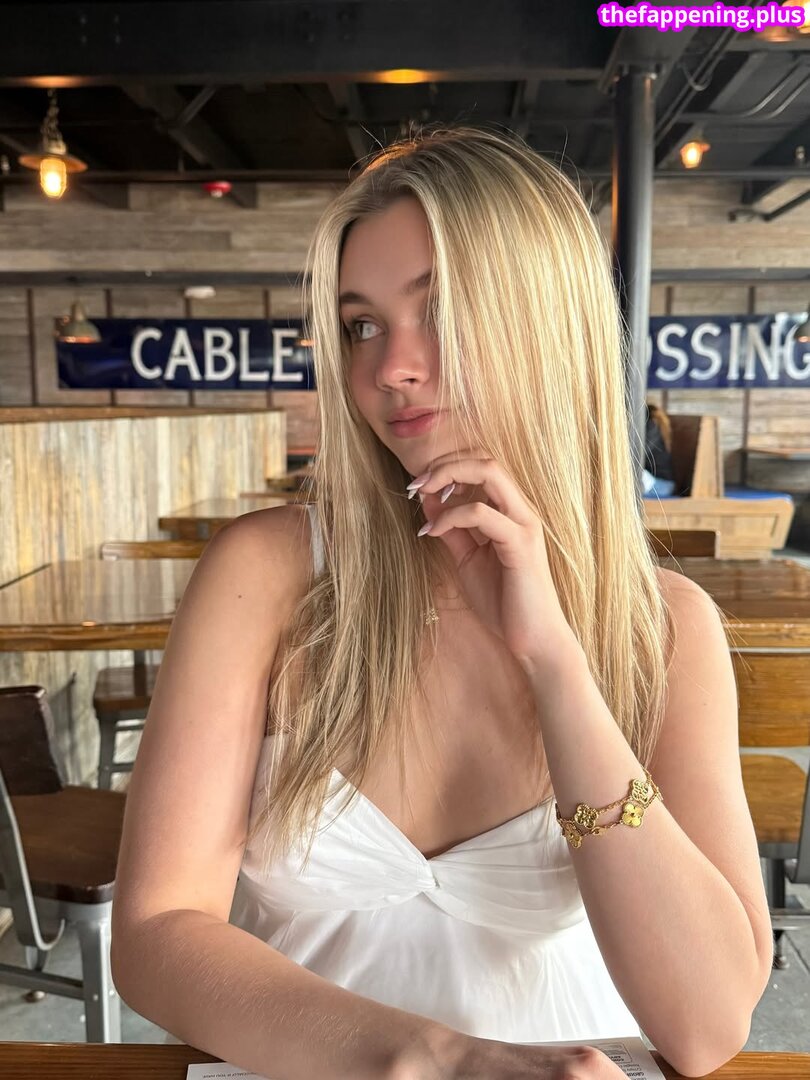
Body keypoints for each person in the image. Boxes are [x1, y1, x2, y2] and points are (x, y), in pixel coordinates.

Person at [111, 127, 773, 1080]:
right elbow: (157, 931)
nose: (390, 367)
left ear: (548, 323)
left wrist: (556, 663)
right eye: (361, 325)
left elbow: (707, 1029)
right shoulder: (266, 574)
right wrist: (436, 1060)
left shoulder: (665, 628)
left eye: (440, 309)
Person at [642, 402, 676, 497]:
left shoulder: (652, 426)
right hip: (656, 482)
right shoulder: (653, 425)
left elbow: (640, 452)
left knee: (636, 473)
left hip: (661, 484)